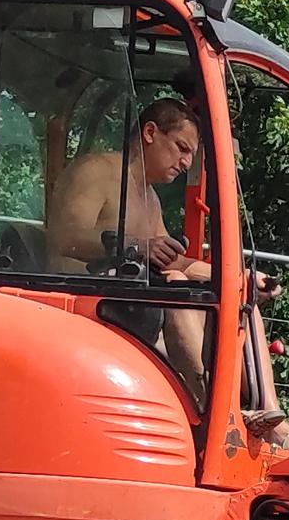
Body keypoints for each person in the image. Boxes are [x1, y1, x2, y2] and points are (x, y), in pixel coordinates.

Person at [44, 98, 219, 406]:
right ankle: (208, 402)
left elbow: (172, 259)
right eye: (182, 148)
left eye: (191, 154)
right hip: (79, 303)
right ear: (151, 132)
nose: (187, 163)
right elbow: (65, 237)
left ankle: (263, 412)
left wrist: (235, 277)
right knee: (175, 285)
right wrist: (137, 247)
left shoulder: (150, 198)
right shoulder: (98, 171)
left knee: (234, 300)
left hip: (126, 305)